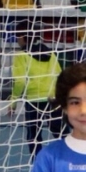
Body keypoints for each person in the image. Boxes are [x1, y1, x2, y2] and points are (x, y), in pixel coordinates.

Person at [8, 20, 65, 161]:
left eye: (17, 35)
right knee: (61, 134)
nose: (16, 39)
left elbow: (20, 81)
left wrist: (13, 101)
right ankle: (69, 164)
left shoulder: (21, 55)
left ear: (22, 36)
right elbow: (60, 75)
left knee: (34, 137)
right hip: (53, 100)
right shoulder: (50, 53)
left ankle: (39, 169)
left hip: (33, 100)